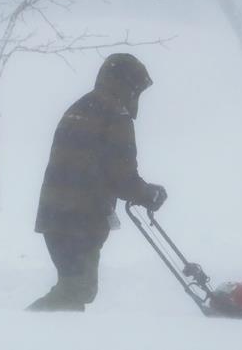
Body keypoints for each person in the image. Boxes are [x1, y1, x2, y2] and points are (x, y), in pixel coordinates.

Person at [27, 53, 167, 312]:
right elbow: (122, 174)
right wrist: (148, 194)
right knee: (76, 290)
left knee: (74, 289)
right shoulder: (115, 113)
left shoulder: (82, 106)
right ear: (128, 85)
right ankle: (20, 332)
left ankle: (44, 336)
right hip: (80, 218)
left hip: (55, 215)